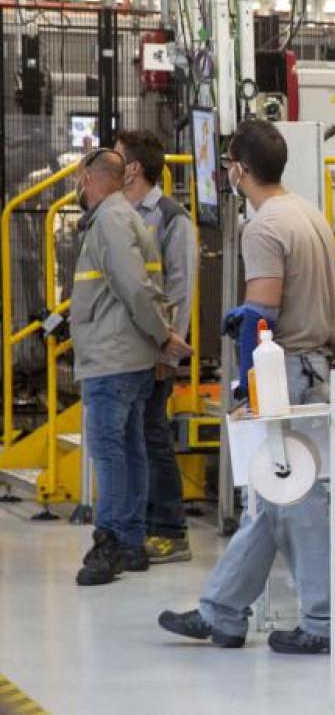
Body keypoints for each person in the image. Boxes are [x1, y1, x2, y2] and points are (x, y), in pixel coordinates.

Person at [158, 119, 335, 654]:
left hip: (284, 373)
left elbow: (260, 313)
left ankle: (325, 622)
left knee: (299, 502)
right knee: (273, 497)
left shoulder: (264, 227)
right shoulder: (310, 214)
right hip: (313, 366)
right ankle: (224, 613)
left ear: (238, 169)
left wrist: (245, 386)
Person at [70, 148, 191, 586]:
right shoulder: (129, 217)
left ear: (89, 177)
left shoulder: (110, 220)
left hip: (112, 357)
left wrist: (162, 336)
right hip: (129, 355)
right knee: (131, 449)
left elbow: (135, 289)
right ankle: (134, 541)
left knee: (110, 452)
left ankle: (112, 544)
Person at [115, 130, 198, 565]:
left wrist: (170, 355)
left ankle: (171, 530)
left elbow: (180, 291)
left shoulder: (171, 218)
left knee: (154, 435)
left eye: (115, 157)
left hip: (156, 352)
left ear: (132, 168)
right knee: (135, 439)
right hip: (126, 352)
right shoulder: (118, 214)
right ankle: (141, 525)